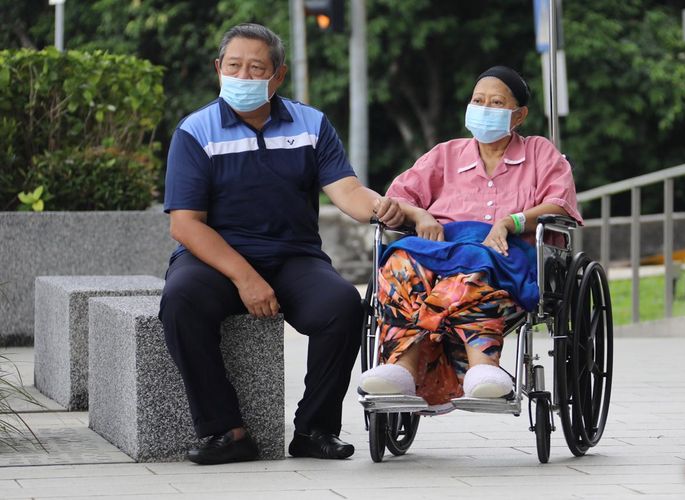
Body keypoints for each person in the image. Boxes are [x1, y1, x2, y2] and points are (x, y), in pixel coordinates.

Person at [159, 22, 404, 465]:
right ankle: (226, 431)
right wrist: (246, 278)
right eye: (234, 66)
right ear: (218, 69)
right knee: (179, 301)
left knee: (343, 304)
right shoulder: (195, 132)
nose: (244, 76)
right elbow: (186, 226)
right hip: (216, 259)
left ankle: (315, 428)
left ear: (279, 76)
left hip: (294, 256)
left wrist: (383, 207)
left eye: (257, 68)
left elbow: (347, 190)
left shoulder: (311, 124)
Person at [359, 65, 582, 410]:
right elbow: (397, 197)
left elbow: (560, 204)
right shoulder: (445, 155)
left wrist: (511, 221)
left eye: (496, 103)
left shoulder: (539, 153)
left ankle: (482, 367)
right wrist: (421, 215)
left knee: (475, 264)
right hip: (440, 252)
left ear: (519, 115)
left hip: (505, 257)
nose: (484, 109)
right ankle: (400, 369)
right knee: (400, 260)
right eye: (478, 101)